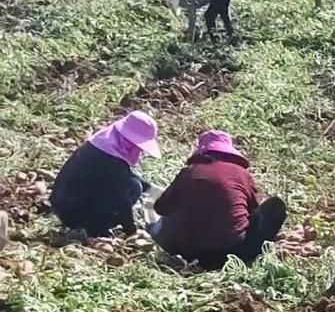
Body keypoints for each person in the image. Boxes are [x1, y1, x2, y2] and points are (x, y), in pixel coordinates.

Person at [151, 131, 288, 269]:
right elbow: (252, 210)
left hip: (185, 250)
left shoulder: (188, 172)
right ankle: (247, 257)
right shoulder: (241, 174)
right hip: (230, 253)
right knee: (276, 206)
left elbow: (160, 208)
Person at [51, 111, 161, 237]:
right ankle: (94, 229)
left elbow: (121, 176)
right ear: (130, 143)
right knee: (134, 187)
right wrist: (131, 230)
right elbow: (122, 200)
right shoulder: (113, 163)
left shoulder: (103, 143)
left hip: (62, 202)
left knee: (135, 184)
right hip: (74, 215)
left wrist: (151, 188)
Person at [165, 0, 235, 40]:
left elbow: (192, 19)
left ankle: (216, 40)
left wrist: (190, 37)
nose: (181, 6)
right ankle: (229, 34)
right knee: (221, 14)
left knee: (210, 16)